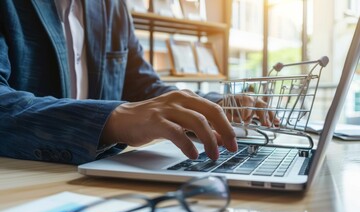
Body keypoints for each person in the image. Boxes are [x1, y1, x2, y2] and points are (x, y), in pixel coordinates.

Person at [0, 0, 273, 165]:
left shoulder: (112, 6)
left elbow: (145, 89)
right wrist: (112, 120)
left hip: (97, 183)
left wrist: (210, 106)